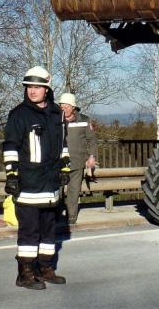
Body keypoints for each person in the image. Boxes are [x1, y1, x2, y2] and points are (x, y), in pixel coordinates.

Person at [2, 66, 66, 290]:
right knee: (29, 230)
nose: (32, 91)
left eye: (37, 86)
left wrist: (65, 168)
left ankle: (46, 268)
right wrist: (11, 174)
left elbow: (63, 144)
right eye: (29, 86)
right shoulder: (19, 114)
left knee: (49, 228)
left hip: (51, 183)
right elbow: (10, 146)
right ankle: (25, 273)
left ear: (47, 89)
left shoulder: (58, 113)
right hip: (28, 182)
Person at [58, 92, 98, 225]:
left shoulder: (84, 120)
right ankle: (54, 215)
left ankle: (71, 217)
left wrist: (92, 156)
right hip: (57, 163)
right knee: (56, 190)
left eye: (66, 106)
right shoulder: (55, 119)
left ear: (73, 107)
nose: (63, 108)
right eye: (61, 106)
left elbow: (92, 140)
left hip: (77, 162)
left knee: (73, 190)